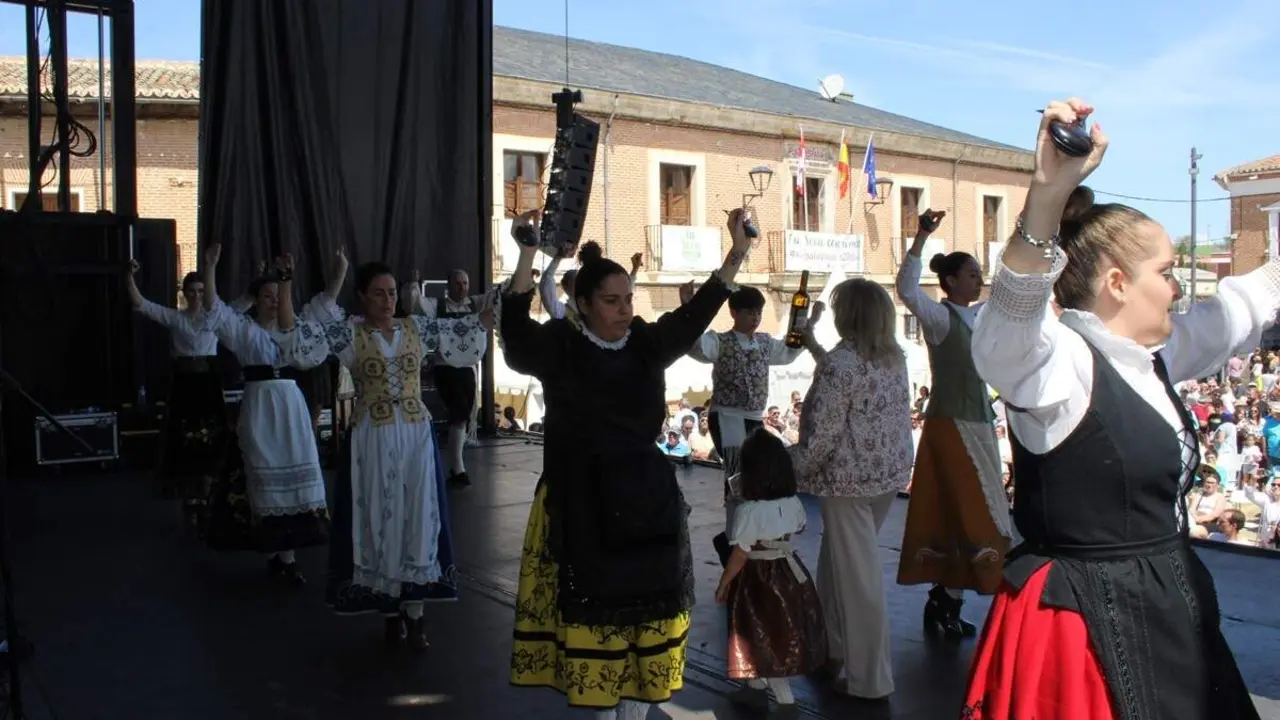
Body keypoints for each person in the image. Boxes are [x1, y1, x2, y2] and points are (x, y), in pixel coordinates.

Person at [963, 98, 1262, 720]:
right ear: (1118, 282)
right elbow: (1003, 334)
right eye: (1167, 270)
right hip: (1086, 628)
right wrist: (1047, 194)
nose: (1179, 286)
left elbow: (1237, 309)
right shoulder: (1060, 364)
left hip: (1170, 609)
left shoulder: (1150, 354)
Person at [503, 210, 751, 719]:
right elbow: (515, 336)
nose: (623, 310)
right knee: (597, 618)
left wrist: (738, 253)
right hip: (582, 500)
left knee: (647, 618)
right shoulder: (562, 346)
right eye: (611, 301)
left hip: (644, 500)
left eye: (628, 300)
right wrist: (528, 253)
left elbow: (695, 314)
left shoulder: (643, 343)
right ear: (584, 303)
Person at [304, 250, 491, 649]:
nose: (387, 301)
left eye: (391, 293)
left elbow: (468, 331)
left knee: (417, 515)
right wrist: (338, 272)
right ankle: (391, 613)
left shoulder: (416, 329)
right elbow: (318, 311)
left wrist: (497, 304)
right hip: (372, 433)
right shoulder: (350, 333)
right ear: (362, 297)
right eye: (378, 294)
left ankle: (417, 613)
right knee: (378, 514)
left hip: (414, 434)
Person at [789, 278, 912, 702]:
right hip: (885, 477)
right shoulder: (893, 356)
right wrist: (815, 349)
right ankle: (832, 645)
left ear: (848, 314)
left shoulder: (842, 363)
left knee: (858, 578)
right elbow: (854, 387)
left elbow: (820, 438)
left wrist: (788, 470)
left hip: (847, 483)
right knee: (839, 564)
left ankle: (869, 678)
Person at [894, 208, 1010, 638]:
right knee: (970, 511)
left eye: (980, 273)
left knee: (960, 514)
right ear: (952, 282)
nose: (979, 279)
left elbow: (1014, 297)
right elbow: (906, 289)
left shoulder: (978, 317)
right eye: (973, 274)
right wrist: (922, 236)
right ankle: (946, 600)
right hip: (951, 426)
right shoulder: (941, 319)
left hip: (977, 423)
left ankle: (947, 601)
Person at [199, 245, 332, 583]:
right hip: (260, 406)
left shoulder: (292, 330)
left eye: (278, 295)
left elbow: (310, 324)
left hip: (290, 406)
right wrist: (211, 267)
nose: (274, 300)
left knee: (293, 473)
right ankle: (273, 551)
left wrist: (286, 279)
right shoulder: (245, 331)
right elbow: (214, 309)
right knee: (263, 472)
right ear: (256, 300)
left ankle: (288, 557)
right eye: (268, 295)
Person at [685, 283, 809, 567]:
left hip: (753, 416)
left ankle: (742, 536)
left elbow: (790, 351)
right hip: (726, 415)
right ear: (734, 313)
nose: (755, 318)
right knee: (736, 475)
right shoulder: (719, 341)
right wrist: (691, 307)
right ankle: (733, 538)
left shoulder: (765, 342)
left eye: (758, 313)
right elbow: (694, 346)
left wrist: (801, 318)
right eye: (749, 312)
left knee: (750, 473)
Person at [716, 428, 825, 716]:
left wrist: (724, 582)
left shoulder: (748, 512)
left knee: (760, 633)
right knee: (770, 631)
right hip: (788, 573)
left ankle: (785, 701)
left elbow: (740, 553)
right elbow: (799, 527)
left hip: (758, 579)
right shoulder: (793, 503)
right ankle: (753, 688)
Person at [126, 263, 226, 527]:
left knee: (211, 434)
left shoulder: (215, 317)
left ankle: (207, 493)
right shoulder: (176, 318)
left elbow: (245, 303)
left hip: (208, 383)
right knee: (184, 437)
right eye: (191, 291)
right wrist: (128, 276)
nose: (196, 296)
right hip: (184, 384)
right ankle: (189, 497)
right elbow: (142, 304)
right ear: (184, 293)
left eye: (201, 291)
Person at [403, 268, 495, 487]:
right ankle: (457, 466)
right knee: (459, 412)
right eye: (458, 283)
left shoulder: (475, 304)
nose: (462, 287)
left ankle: (456, 466)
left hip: (467, 369)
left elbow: (497, 296)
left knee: (462, 415)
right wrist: (414, 284)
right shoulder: (438, 306)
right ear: (449, 286)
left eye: (465, 283)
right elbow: (414, 305)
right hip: (445, 367)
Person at [539, 248, 642, 321]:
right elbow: (546, 285)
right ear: (565, 287)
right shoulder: (563, 312)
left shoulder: (595, 304)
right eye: (574, 281)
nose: (579, 283)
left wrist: (634, 270)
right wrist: (558, 257)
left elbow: (620, 290)